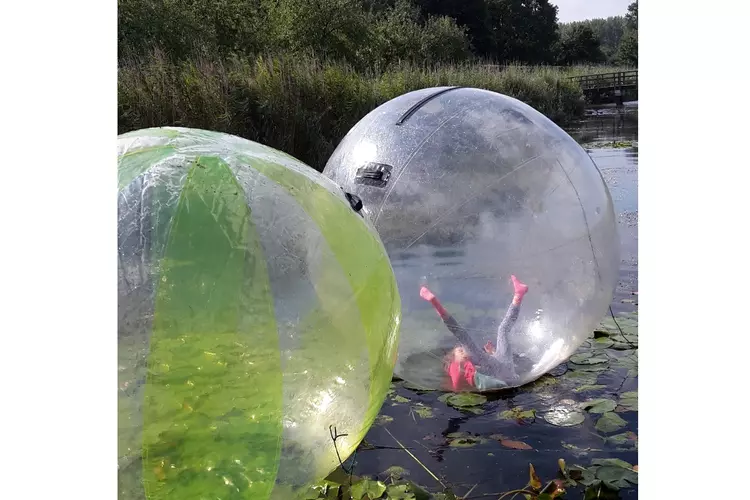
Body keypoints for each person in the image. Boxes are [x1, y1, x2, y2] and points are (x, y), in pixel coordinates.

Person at [419, 275, 528, 391]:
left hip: (506, 371)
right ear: (453, 359)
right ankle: (518, 295)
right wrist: (435, 303)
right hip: (509, 379)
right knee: (495, 331)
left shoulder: (474, 363)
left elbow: (490, 366)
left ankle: (518, 295)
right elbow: (458, 331)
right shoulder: (468, 362)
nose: (463, 350)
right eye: (460, 350)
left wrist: (492, 352)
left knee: (502, 330)